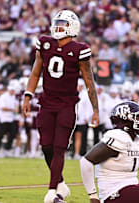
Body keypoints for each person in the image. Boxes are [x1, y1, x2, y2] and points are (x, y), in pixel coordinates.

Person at [22, 10, 99, 203]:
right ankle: (61, 184)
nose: (58, 27)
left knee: (58, 148)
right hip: (46, 103)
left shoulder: (79, 49)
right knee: (46, 146)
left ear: (72, 27)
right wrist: (27, 95)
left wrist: (96, 110)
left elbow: (89, 81)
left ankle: (52, 191)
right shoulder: (45, 44)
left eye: (63, 23)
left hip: (66, 104)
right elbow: (35, 72)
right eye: (57, 22)